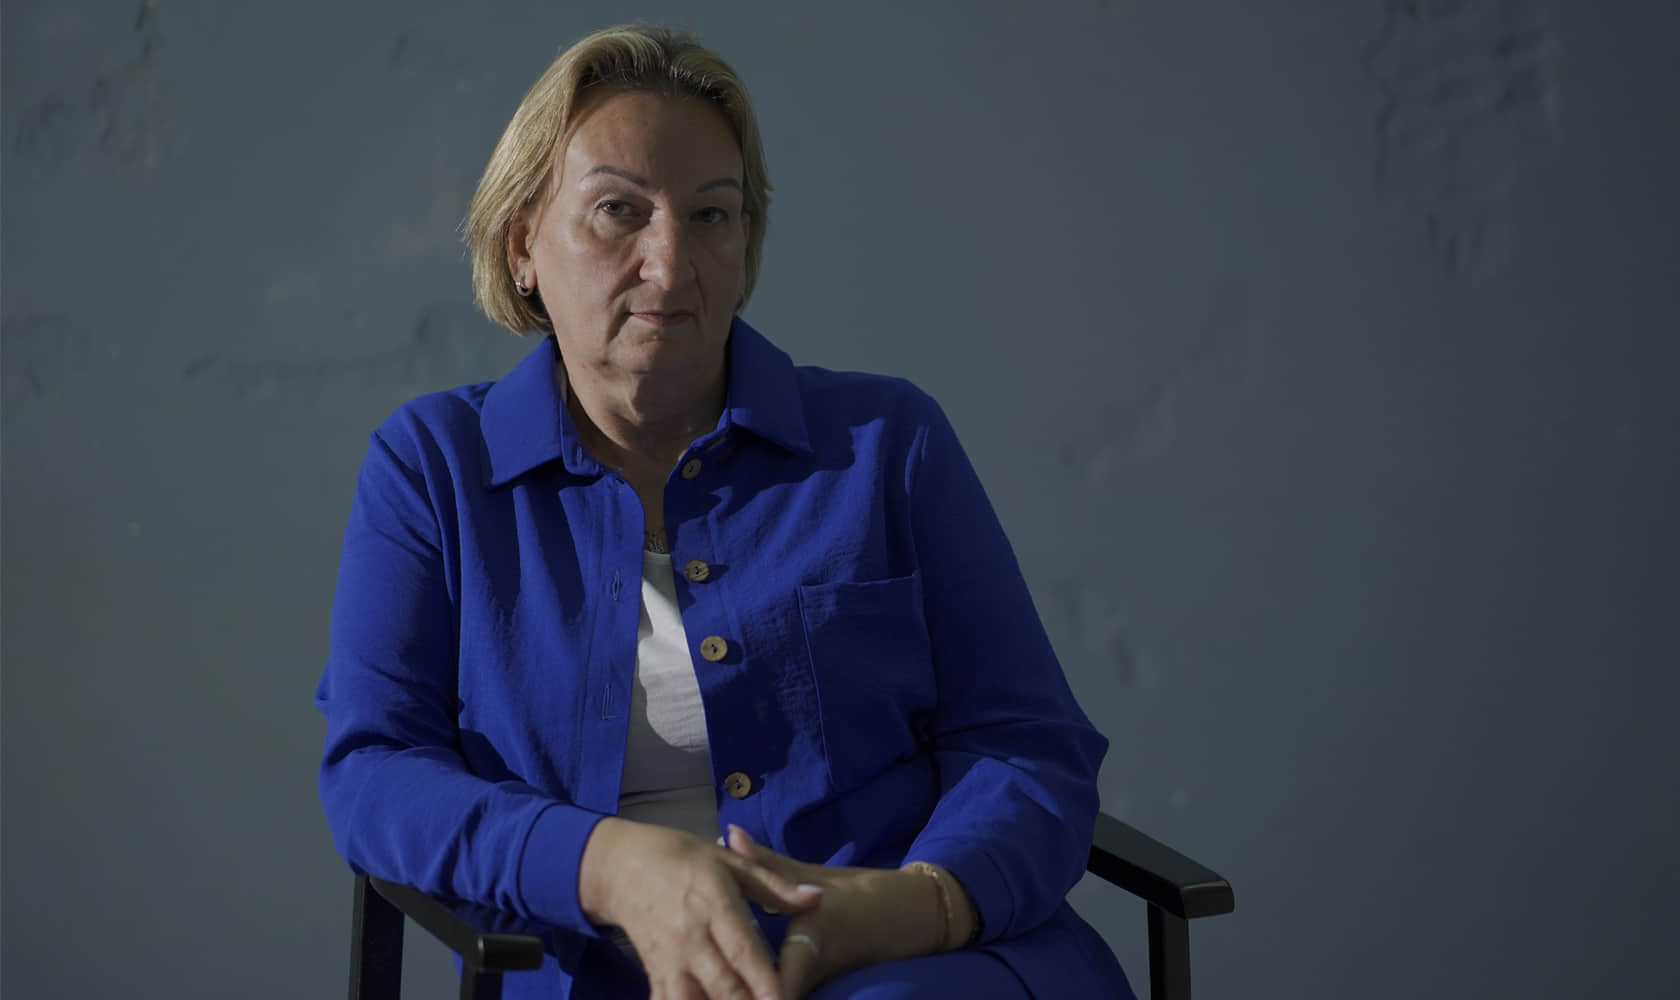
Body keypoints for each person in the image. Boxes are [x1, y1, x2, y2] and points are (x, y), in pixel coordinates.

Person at [315, 22, 1132, 1000]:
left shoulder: (887, 443)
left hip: (910, 966)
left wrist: (913, 904)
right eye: (618, 210)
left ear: (746, 246)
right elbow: (376, 772)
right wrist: (607, 866)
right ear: (522, 242)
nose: (671, 264)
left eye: (711, 215)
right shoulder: (433, 466)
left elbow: (1028, 744)